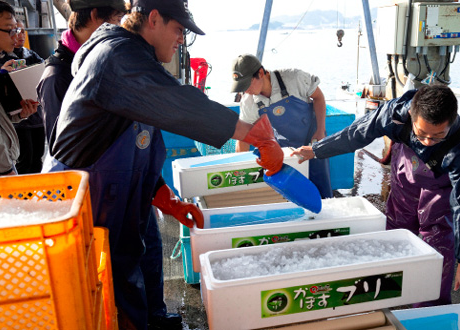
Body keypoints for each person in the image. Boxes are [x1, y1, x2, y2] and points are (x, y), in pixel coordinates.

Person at [41, 0, 283, 329]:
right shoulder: (117, 57)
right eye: (179, 29)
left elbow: (137, 149)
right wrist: (258, 135)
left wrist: (166, 198)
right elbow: (185, 106)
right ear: (153, 19)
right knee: (108, 291)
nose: (182, 39)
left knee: (140, 267)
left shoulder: (136, 58)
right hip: (84, 204)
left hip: (122, 195)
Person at [292, 84, 460, 307]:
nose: (428, 141)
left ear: (451, 122)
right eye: (421, 134)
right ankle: (389, 290)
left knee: (439, 240)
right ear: (411, 114)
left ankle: (429, 307)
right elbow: (355, 135)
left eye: (438, 135)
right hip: (406, 171)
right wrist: (316, 150)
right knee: (397, 228)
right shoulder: (393, 115)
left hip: (440, 183)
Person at [231, 53, 333, 198]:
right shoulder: (249, 101)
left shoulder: (294, 77)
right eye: (241, 86)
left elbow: (319, 97)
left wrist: (320, 130)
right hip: (285, 150)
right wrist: (240, 168)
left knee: (321, 189)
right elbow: (243, 137)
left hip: (313, 141)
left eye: (247, 84)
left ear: (260, 73)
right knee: (290, 195)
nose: (245, 90)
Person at [37, 0, 126, 146]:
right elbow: (61, 149)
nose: (120, 28)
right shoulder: (56, 77)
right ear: (95, 15)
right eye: (117, 20)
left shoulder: (99, 63)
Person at [0, 1, 37, 177]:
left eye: (17, 30)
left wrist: (19, 114)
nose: (16, 36)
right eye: (9, 29)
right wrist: (6, 168)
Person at [0, 20, 44, 174]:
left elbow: (43, 72)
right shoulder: (2, 59)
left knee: (37, 159)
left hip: (35, 114)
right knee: (25, 160)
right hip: (18, 119)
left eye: (22, 31)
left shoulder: (31, 55)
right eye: (14, 31)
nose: (19, 36)